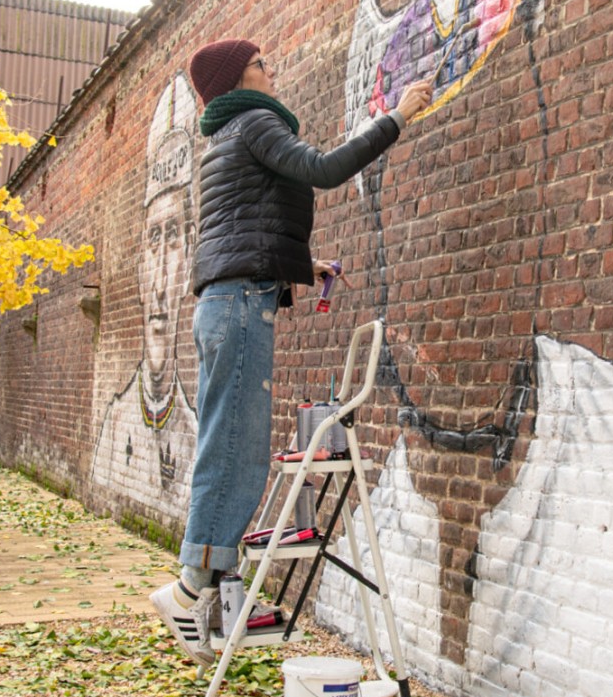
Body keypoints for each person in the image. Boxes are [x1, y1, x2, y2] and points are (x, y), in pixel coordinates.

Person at [150, 35, 433, 663]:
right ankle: (192, 584)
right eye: (261, 63)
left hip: (227, 303)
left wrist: (304, 262)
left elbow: (240, 232)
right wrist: (397, 116)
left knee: (226, 445)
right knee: (236, 451)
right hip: (240, 307)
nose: (271, 69)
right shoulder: (255, 123)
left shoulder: (224, 140)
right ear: (238, 78)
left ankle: (214, 596)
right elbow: (324, 170)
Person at [91, 75, 198, 523]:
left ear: (192, 255)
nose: (158, 286)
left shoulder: (196, 438)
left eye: (172, 238)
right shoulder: (114, 429)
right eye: (153, 240)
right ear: (136, 270)